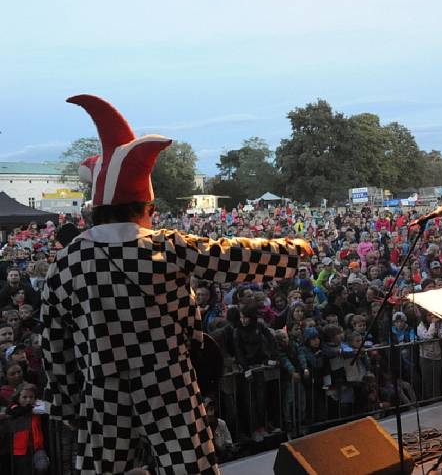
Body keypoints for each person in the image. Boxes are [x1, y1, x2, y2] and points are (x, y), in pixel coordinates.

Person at [40, 95, 311, 475]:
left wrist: (67, 406)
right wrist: (294, 251)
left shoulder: (65, 262)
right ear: (144, 207)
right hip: (169, 388)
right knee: (191, 470)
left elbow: (55, 346)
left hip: (102, 396)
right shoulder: (165, 246)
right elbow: (230, 256)